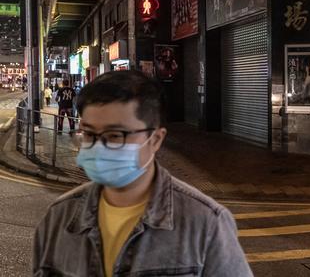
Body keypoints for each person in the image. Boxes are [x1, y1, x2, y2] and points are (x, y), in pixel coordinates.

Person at [33, 70, 252, 276]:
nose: (98, 146)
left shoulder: (206, 223)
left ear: (156, 139)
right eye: (89, 134)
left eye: (115, 135)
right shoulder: (58, 218)